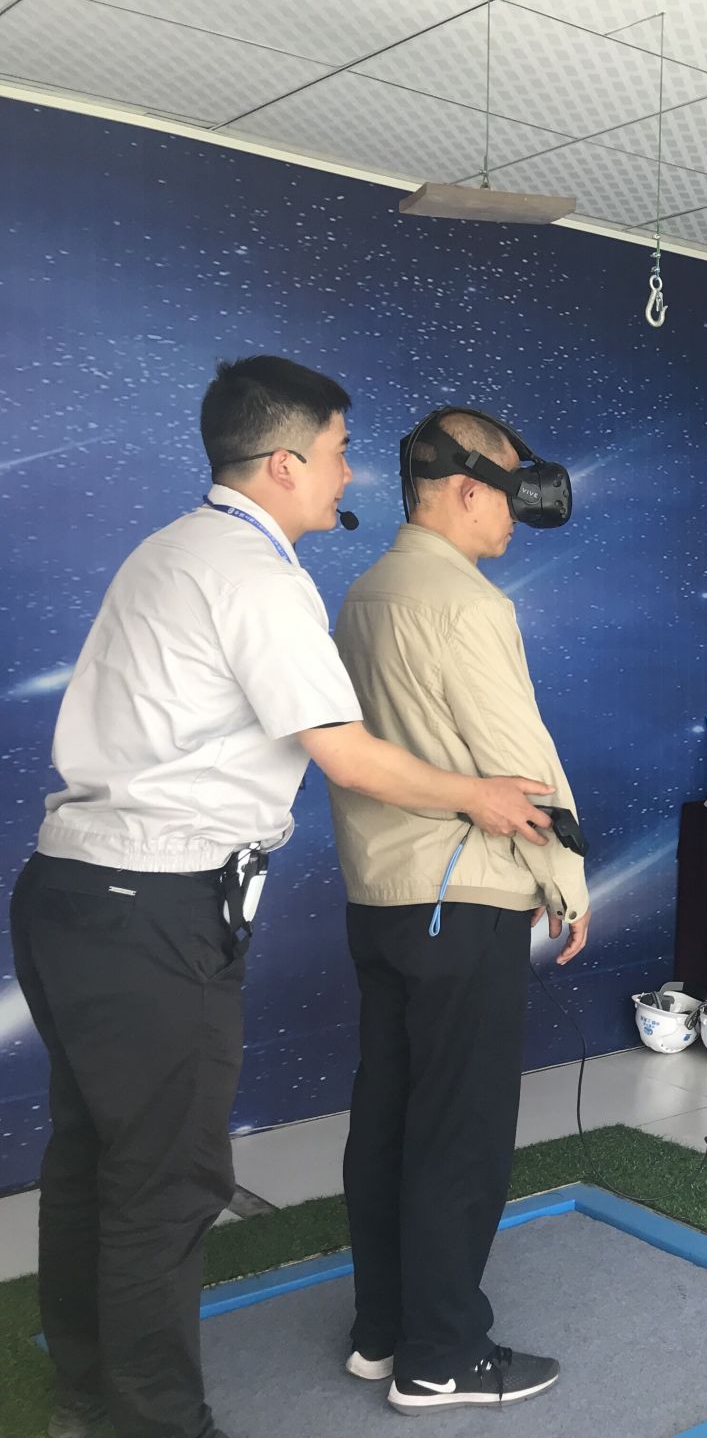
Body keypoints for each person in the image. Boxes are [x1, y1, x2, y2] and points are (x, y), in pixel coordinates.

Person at [10, 357, 558, 1438]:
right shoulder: (260, 576)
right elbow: (344, 753)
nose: (353, 472)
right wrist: (481, 797)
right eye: (340, 451)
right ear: (284, 463)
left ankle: (87, 1389)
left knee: (92, 1161)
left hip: (70, 890)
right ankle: (158, 1423)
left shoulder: (172, 550)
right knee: (166, 1183)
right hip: (154, 908)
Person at [328, 405, 590, 1413]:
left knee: (390, 1118)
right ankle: (440, 1358)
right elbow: (517, 769)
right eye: (508, 494)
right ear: (467, 488)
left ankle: (381, 1332)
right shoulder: (468, 604)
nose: (515, 516)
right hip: (464, 896)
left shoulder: (365, 592)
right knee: (460, 1130)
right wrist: (567, 883)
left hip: (382, 899)